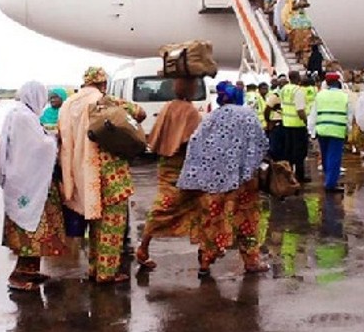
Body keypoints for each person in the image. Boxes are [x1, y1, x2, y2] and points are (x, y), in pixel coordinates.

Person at [58, 67, 146, 283]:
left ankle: (94, 268)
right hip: (109, 171)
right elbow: (140, 113)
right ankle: (106, 272)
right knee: (111, 224)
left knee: (93, 220)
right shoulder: (106, 101)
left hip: (80, 172)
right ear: (103, 83)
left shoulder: (67, 104)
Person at [177, 83, 269, 278]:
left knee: (214, 219)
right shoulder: (247, 115)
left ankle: (205, 260)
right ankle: (251, 261)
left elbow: (195, 142)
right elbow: (261, 144)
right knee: (247, 220)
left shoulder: (211, 117)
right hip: (241, 180)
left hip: (211, 180)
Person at [0, 81, 66, 291]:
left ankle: (30, 270)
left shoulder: (19, 113)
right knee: (31, 228)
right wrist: (54, 138)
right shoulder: (25, 117)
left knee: (33, 227)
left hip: (24, 180)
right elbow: (40, 146)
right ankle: (18, 275)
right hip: (31, 183)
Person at [136, 78, 203, 269]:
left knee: (166, 205)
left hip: (165, 163)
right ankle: (204, 251)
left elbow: (158, 134)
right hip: (183, 165)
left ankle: (145, 246)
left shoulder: (168, 106)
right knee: (190, 205)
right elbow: (193, 139)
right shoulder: (189, 110)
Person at [309, 73, 351, 192]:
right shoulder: (344, 96)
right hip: (337, 129)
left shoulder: (320, 95)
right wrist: (348, 130)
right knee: (334, 157)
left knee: (326, 156)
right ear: (339, 84)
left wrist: (311, 131)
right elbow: (349, 115)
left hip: (322, 129)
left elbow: (313, 113)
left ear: (327, 84)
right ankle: (331, 184)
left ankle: (329, 179)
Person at [281, 71, 310, 183]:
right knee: (300, 152)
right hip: (298, 124)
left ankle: (288, 175)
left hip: (287, 123)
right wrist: (306, 121)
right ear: (298, 78)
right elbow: (300, 110)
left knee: (288, 151)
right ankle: (300, 176)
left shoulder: (284, 89)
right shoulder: (298, 91)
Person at [265, 75, 287, 159]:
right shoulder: (275, 95)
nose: (284, 85)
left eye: (285, 83)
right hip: (276, 123)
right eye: (282, 83)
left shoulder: (289, 94)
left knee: (284, 148)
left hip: (287, 124)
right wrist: (269, 122)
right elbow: (267, 109)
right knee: (275, 149)